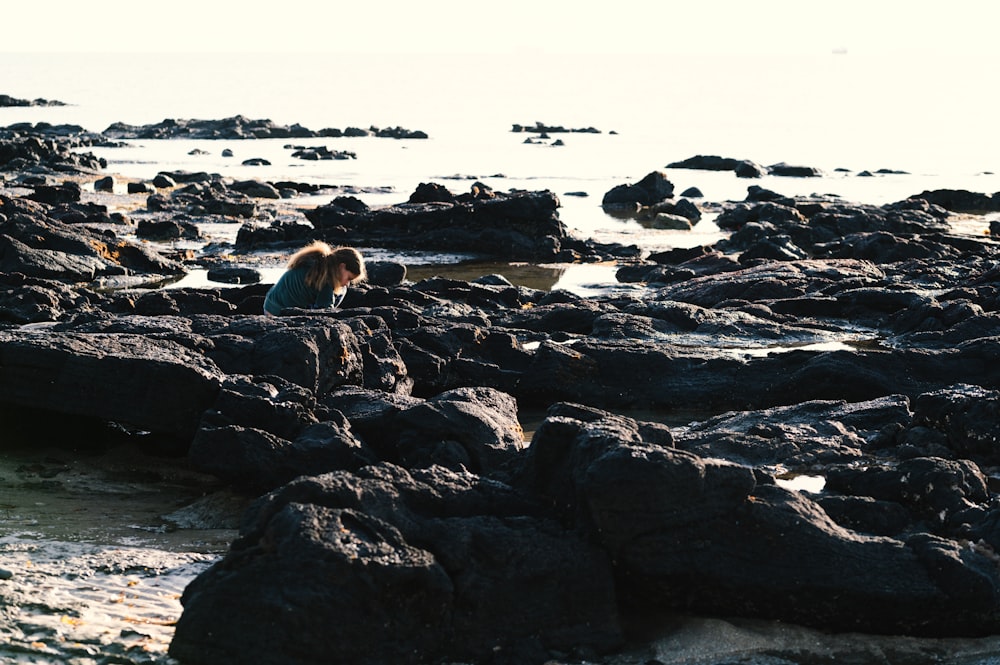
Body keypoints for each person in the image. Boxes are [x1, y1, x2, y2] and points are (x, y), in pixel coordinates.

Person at [263, 241, 365, 315]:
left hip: (269, 304)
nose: (348, 283)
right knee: (342, 291)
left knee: (342, 290)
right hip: (279, 314)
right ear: (342, 267)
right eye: (349, 278)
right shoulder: (326, 281)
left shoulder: (314, 262)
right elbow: (326, 314)